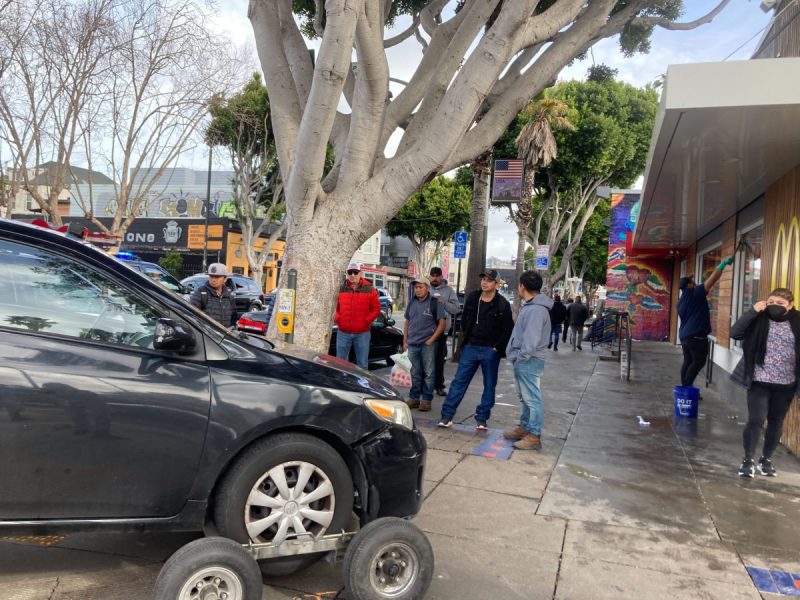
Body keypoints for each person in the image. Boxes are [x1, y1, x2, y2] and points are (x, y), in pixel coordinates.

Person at [730, 288, 800, 478]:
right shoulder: (759, 318)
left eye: (780, 304)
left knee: (776, 423)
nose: (774, 307)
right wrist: (752, 311)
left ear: (790, 305)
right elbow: (735, 333)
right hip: (759, 381)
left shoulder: (797, 321)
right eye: (771, 303)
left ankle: (766, 459)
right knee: (755, 421)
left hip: (786, 384)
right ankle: (748, 460)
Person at [437, 269, 513, 431]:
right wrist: (467, 341)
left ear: (496, 284)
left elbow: (507, 330)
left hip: (490, 351)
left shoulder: (502, 304)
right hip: (471, 347)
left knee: (489, 385)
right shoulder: (472, 298)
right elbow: (465, 320)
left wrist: (495, 348)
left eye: (489, 280)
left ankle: (482, 418)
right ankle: (447, 416)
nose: (484, 282)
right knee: (459, 382)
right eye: (483, 279)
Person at [504, 271, 553, 450]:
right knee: (525, 398)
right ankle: (525, 428)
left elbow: (531, 340)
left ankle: (533, 435)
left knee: (531, 399)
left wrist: (520, 357)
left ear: (522, 287)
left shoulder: (536, 309)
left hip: (529, 360)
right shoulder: (533, 307)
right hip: (526, 359)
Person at [677, 256, 734, 387]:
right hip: (696, 336)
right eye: (693, 281)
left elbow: (689, 284)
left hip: (684, 336)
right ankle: (686, 389)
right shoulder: (695, 293)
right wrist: (722, 265)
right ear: (690, 285)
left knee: (688, 361)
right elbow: (713, 279)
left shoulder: (681, 301)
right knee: (699, 362)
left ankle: (685, 388)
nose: (696, 282)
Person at [404, 276, 447, 412]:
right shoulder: (412, 302)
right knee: (415, 373)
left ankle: (426, 400)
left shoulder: (435, 302)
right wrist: (405, 339)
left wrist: (432, 339)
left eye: (420, 287)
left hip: (427, 344)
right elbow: (407, 321)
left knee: (429, 373)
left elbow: (442, 323)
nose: (418, 290)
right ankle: (414, 398)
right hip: (412, 343)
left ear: (427, 288)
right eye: (416, 287)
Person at [334, 261, 381, 369]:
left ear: (361, 273)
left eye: (355, 272)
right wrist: (338, 319)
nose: (353, 275)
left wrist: (365, 321)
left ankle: (362, 386)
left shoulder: (370, 289)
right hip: (343, 332)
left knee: (362, 364)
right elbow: (334, 307)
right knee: (340, 364)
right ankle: (343, 385)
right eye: (350, 272)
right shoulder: (341, 288)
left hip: (362, 333)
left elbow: (376, 309)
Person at [429, 266, 461, 396]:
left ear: (441, 277)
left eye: (437, 275)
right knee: (424, 360)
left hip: (441, 331)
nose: (435, 278)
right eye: (433, 275)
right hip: (425, 330)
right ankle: (424, 385)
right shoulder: (425, 288)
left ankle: (439, 385)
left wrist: (443, 302)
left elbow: (456, 309)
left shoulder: (448, 291)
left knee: (438, 359)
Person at [189, 262, 238, 327]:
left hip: (225, 336)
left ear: (225, 279)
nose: (213, 280)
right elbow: (191, 316)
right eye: (211, 276)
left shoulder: (229, 296)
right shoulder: (200, 293)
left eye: (217, 277)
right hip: (207, 335)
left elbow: (234, 319)